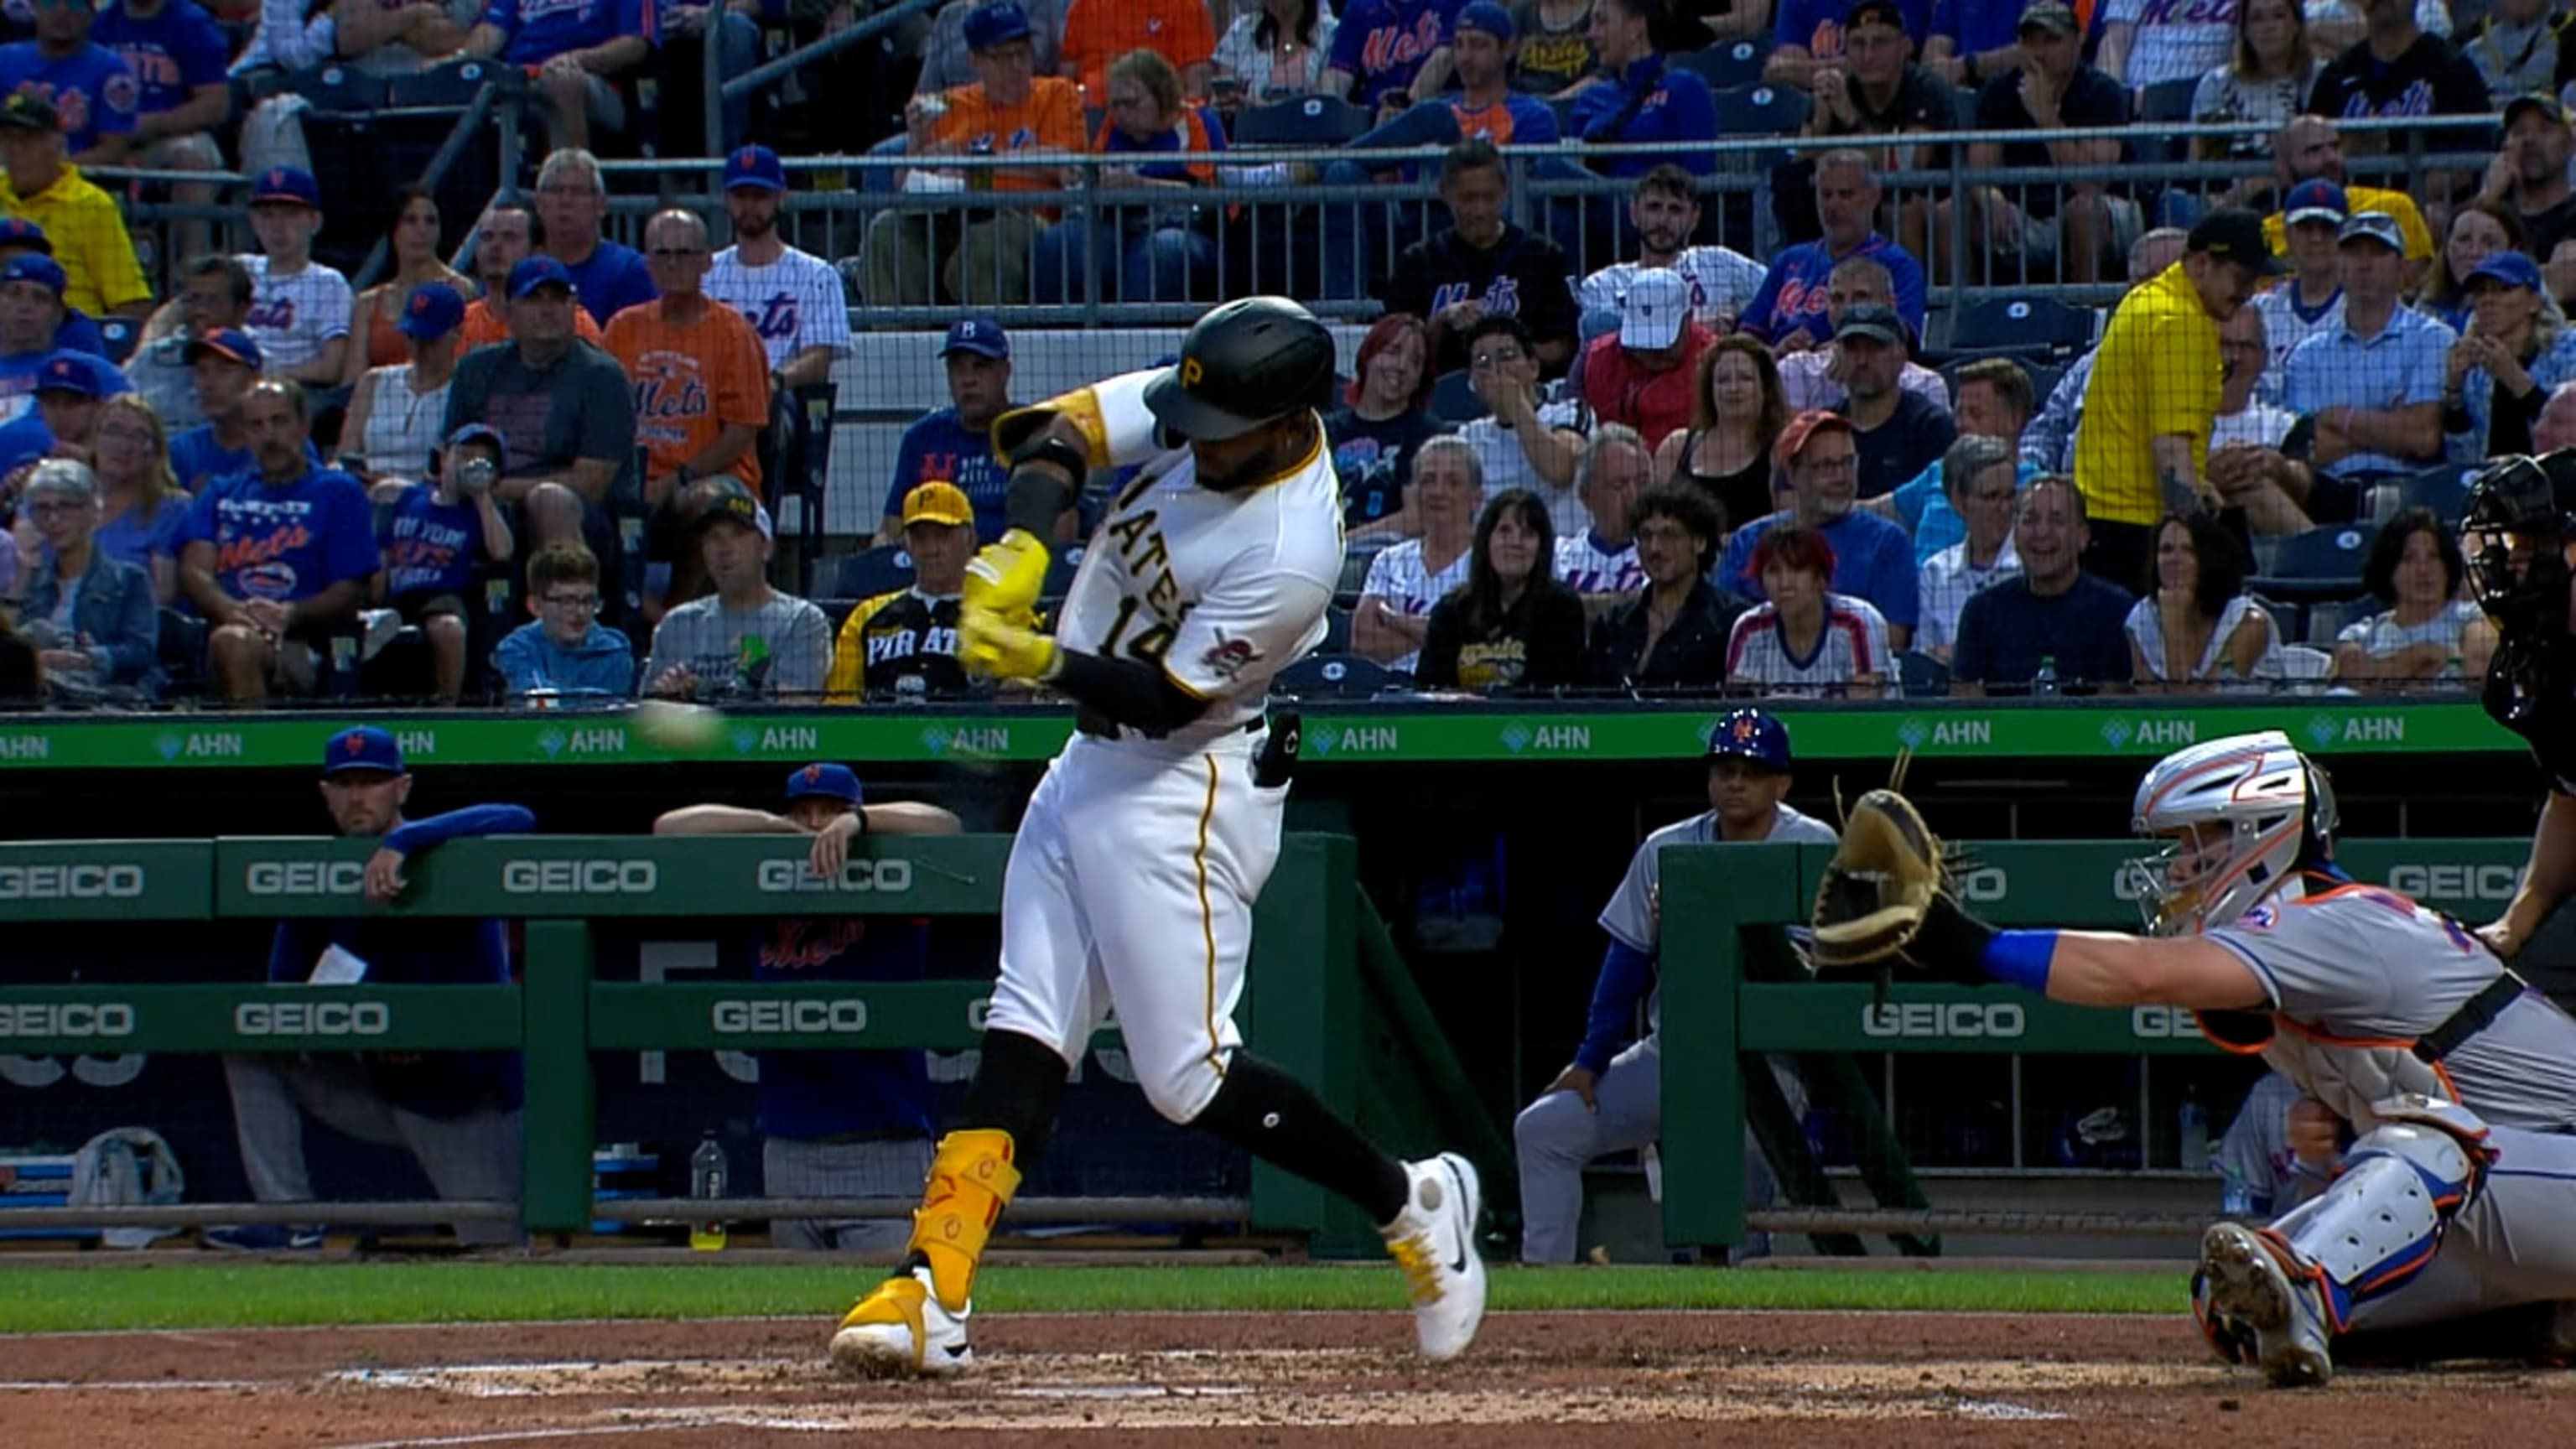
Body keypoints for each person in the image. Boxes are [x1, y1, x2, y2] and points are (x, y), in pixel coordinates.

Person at [825, 296, 1487, 1375]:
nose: (1190, 435)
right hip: (1090, 766)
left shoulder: (1292, 547)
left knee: (1187, 1078)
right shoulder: (1219, 402)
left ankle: (1411, 1201)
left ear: (1282, 426)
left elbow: (1170, 702)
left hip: (1184, 782)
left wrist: (1039, 661)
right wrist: (1027, 549)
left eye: (1216, 427)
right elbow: (1057, 432)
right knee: (1026, 1021)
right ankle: (929, 1289)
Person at [1826, 730, 2576, 1389]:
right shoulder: (2299, 931)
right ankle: (2538, 1319)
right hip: (2530, 1199)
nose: (2180, 866)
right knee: (2231, 1306)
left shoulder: (2327, 921)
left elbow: (2141, 974)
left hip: (2547, 1168)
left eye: (2199, 841)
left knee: (2417, 1152)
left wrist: (1967, 945)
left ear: (2262, 832)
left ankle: (2316, 1293)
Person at [1513, 708, 1838, 1265]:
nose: (1735, 781)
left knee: (1735, 1223)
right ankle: (1549, 1292)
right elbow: (1626, 963)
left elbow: (1803, 974)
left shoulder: (1811, 843)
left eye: (1753, 770)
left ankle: (1749, 1324)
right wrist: (1590, 1060)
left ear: (1782, 782)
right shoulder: (1669, 847)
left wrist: (1704, 915)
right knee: (1544, 1131)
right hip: (1675, 1050)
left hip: (1770, 1060)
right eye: (1724, 768)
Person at [209, 727, 531, 1252]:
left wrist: (405, 841)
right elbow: (281, 996)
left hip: (459, 1097)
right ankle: (292, 1224)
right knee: (249, 1042)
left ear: (402, 788)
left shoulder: (443, 852)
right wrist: (342, 1028)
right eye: (346, 784)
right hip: (373, 1080)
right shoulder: (316, 876)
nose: (359, 796)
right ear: (326, 794)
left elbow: (519, 818)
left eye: (374, 782)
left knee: (498, 1252)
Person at [652, 765, 958, 1253]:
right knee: (801, 1316)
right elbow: (671, 828)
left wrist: (858, 822)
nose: (817, 823)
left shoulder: (889, 874)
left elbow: (943, 824)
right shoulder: (769, 884)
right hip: (789, 1142)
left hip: (883, 1140)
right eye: (805, 812)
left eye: (829, 810)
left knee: (890, 1313)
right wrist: (771, 828)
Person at [2072, 206, 2281, 590]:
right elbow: (2170, 452)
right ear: (2202, 264)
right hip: (2138, 534)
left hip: (2103, 523)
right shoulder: (2180, 324)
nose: (2249, 292)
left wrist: (2202, 487)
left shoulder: (2144, 300)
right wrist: (2196, 544)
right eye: (2241, 278)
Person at [865, 2, 1083, 309]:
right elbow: (904, 185)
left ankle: (988, 351)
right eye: (1001, 57)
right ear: (976, 62)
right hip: (951, 214)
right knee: (887, 231)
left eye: (1021, 53)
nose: (1016, 66)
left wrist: (976, 160)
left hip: (1021, 215)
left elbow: (1065, 166)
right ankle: (899, 348)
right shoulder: (950, 104)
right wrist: (916, 142)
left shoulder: (1057, 94)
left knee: (985, 245)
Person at [175, 381, 377, 704]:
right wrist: (233, 610)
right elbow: (195, 571)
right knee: (233, 641)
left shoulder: (338, 491)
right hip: (227, 629)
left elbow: (349, 590)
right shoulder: (220, 492)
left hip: (307, 639)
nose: (269, 436)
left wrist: (289, 614)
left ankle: (255, 753)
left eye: (279, 421)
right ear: (245, 434)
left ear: (302, 426)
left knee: (235, 643)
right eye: (256, 425)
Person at [440, 257, 638, 558]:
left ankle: (563, 597)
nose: (548, 310)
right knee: (396, 494)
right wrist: (477, 489)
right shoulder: (476, 369)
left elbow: (590, 484)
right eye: (534, 299)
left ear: (574, 307)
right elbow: (455, 452)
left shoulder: (602, 376)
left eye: (559, 299)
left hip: (582, 518)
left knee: (549, 500)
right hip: (486, 504)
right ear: (508, 312)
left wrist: (493, 490)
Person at [2278, 212, 2454, 517]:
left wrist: (2338, 418)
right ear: (2339, 264)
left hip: (2413, 491)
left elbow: (2424, 438)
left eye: (2378, 252)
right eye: (2353, 252)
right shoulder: (2307, 355)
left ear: (2401, 266)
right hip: (2328, 493)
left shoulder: (2433, 338)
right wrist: (2393, 425)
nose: (2364, 263)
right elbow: (2309, 451)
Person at [603, 208, 773, 512]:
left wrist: (677, 481)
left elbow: (741, 432)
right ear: (648, 264)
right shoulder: (621, 328)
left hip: (717, 480)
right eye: (662, 253)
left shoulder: (734, 333)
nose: (673, 264)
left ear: (707, 261)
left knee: (698, 501)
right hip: (636, 479)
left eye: (684, 253)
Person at [1951, 1, 2130, 287]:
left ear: (2078, 40)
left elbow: (2093, 183)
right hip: (2021, 212)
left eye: (2052, 41)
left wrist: (2045, 116)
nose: (2039, 53)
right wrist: (1990, 197)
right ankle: (1961, 319)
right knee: (1955, 210)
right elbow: (1979, 169)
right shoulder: (1998, 90)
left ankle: (2088, 315)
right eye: (2030, 42)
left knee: (2084, 210)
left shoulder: (2102, 92)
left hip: (2104, 207)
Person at [1035, 47, 1228, 306]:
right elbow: (1094, 172)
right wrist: (1084, 179)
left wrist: (1142, 187)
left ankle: (1135, 344)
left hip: (1182, 229)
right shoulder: (1113, 127)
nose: (1121, 114)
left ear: (1162, 96)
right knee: (1062, 241)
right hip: (1116, 225)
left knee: (1159, 252)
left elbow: (1209, 195)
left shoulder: (1198, 122)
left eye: (1132, 103)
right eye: (1115, 105)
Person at [1379, 139, 1580, 378]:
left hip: (1524, 394)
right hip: (1439, 398)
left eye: (1489, 197)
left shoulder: (1543, 256)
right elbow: (1391, 352)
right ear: (1444, 192)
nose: (1480, 210)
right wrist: (1441, 322)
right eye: (1468, 199)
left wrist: (1511, 353)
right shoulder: (1418, 262)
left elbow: (1565, 348)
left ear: (1505, 190)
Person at [1718, 410, 1918, 647]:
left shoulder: (1888, 543)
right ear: (1793, 474)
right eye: (1826, 466)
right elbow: (1723, 631)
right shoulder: (1749, 541)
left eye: (1847, 463)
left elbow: (1892, 641)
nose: (1841, 477)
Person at [642, 482, 833, 702]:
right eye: (714, 537)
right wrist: (667, 695)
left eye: (738, 534)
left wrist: (702, 693)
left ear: (766, 548)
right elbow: (647, 712)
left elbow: (798, 708)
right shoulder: (677, 624)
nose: (724, 548)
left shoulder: (801, 621)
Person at [1949, 475, 2136, 693]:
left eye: (2057, 521)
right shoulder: (1981, 612)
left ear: (2083, 537)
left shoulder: (2116, 611)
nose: (2042, 533)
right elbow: (1965, 709)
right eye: (2030, 520)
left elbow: (2116, 713)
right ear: (2015, 534)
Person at [377, 424, 516, 704]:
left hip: (441, 594)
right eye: (464, 455)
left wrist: (482, 496)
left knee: (449, 628)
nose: (470, 466)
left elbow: (502, 552)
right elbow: (385, 548)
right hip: (398, 593)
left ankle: (446, 705)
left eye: (483, 462)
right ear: (443, 458)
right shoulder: (410, 497)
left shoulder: (478, 513)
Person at [1737, 149, 1926, 350]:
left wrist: (1822, 355)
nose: (1833, 206)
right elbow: (1749, 333)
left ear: (1874, 196)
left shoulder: (1899, 265)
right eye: (1826, 195)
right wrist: (1774, 355)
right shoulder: (1790, 259)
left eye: (1846, 195)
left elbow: (1901, 338)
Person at [704, 146, 853, 400]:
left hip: (784, 401)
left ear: (781, 196)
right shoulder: (706, 273)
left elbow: (818, 360)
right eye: (741, 195)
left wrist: (771, 382)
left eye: (760, 195)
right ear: (726, 200)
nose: (750, 206)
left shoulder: (816, 275)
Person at [1415, 487, 1588, 690]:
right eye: (1505, 531)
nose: (1515, 543)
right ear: (1486, 540)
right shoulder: (1452, 611)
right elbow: (1428, 689)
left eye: (1528, 534)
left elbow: (1555, 689)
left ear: (1541, 548)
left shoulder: (1562, 608)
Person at [0, 93, 151, 324]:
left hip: (69, 336)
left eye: (28, 140)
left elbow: (129, 301)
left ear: (58, 145)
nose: (16, 150)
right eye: (8, 139)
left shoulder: (90, 205)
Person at [825, 480, 978, 703]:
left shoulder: (998, 614)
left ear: (971, 540)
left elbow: (1019, 700)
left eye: (943, 536)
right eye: (920, 537)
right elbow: (840, 706)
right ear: (906, 544)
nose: (931, 549)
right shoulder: (866, 617)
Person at [15, 458, 154, 701]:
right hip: (37, 691)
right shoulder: (32, 581)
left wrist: (88, 658)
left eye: (66, 507)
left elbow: (141, 652)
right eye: (43, 509)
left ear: (94, 512)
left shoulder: (130, 579)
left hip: (105, 694)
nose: (54, 519)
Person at [1587, 481, 1746, 690]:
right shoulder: (1613, 624)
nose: (1655, 548)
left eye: (1669, 535)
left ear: (1700, 542)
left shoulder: (1731, 621)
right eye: (1646, 536)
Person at [1576, 165, 1768, 335]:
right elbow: (1599, 341)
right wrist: (1695, 331)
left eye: (1675, 210)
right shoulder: (1603, 284)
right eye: (1654, 208)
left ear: (1694, 218)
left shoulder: (1720, 263)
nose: (1663, 220)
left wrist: (1743, 322)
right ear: (1634, 213)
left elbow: (1778, 289)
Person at [883, 319, 1021, 546]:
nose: (968, 380)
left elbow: (1060, 528)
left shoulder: (1032, 432)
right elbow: (892, 529)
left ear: (1004, 373)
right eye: (958, 369)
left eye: (980, 366)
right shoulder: (922, 437)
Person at [1452, 312, 1588, 534]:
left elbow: (1560, 471)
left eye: (1506, 356)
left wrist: (1516, 405)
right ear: (1473, 382)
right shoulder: (1467, 437)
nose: (1496, 369)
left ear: (1533, 368)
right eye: (1483, 362)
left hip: (1559, 553)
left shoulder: (1570, 413)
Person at [1355, 437, 1483, 672]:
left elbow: (1485, 643)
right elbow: (1363, 641)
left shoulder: (1489, 563)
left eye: (1453, 482)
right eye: (1428, 480)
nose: (1438, 491)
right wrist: (1444, 635)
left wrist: (1396, 621)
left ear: (1476, 498)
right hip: (1390, 696)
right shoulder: (1389, 560)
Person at [457, 0, 652, 154]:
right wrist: (454, 62)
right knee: (458, 79)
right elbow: (491, 33)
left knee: (561, 80)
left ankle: (574, 185)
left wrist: (577, 59)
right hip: (520, 79)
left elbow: (636, 45)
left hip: (596, 80)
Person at [2329, 506, 2496, 687]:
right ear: (2388, 570)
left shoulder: (2475, 617)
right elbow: (2354, 677)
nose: (2423, 570)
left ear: (2447, 565)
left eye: (2433, 556)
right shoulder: (2360, 635)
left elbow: (2480, 674)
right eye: (2409, 559)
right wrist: (2424, 653)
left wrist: (2389, 671)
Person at [1724, 522, 1893, 696]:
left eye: (1797, 570)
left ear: (1821, 578)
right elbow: (1740, 712)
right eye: (1774, 571)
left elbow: (1865, 715)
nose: (1785, 584)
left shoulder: (1860, 622)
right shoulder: (1749, 628)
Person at [2445, 251, 2576, 465]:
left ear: (2534, 302)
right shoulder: (2475, 367)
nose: (2488, 300)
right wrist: (2454, 394)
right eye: (2481, 292)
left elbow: (2568, 439)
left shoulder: (2569, 351)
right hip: (2493, 487)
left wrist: (2516, 379)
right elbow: (2462, 459)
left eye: (2503, 289)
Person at [340, 186, 475, 388]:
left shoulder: (460, 291)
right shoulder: (367, 303)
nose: (422, 230)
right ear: (393, 230)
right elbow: (353, 381)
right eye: (411, 220)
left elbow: (467, 364)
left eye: (430, 221)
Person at [2123, 510, 2276, 689]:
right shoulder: (2142, 618)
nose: (2174, 559)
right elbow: (2153, 711)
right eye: (2166, 550)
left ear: (2209, 559)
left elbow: (2202, 710)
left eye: (2189, 550)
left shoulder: (2249, 622)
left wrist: (2174, 627)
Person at [1656, 333, 1786, 534]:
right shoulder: (1675, 448)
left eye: (1745, 378)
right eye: (1723, 380)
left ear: (1765, 387)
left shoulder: (1782, 450)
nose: (1733, 388)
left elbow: (1789, 528)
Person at [1322, 314, 1439, 536]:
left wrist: (1349, 540)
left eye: (1415, 361)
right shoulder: (1326, 431)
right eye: (1393, 352)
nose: (1402, 366)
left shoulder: (1427, 435)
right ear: (1368, 357)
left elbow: (1417, 518)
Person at [238, 166, 354, 390]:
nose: (277, 227)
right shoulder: (241, 268)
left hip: (293, 394)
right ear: (253, 222)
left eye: (290, 215)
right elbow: (181, 308)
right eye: (267, 215)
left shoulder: (328, 283)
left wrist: (267, 373)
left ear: (315, 222)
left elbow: (331, 368)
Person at [339, 283, 465, 484]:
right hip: (365, 493)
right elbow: (344, 456)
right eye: (411, 337)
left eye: (430, 339)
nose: (418, 348)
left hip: (427, 499)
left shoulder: (465, 389)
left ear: (457, 333)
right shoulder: (374, 381)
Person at [1913, 434, 2021, 665]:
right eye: (1991, 497)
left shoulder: (2031, 566)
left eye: (2010, 496)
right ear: (1960, 503)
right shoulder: (1935, 573)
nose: (2005, 508)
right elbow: (1924, 660)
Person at [1828, 303, 1953, 501]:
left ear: (1901, 355)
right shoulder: (1825, 428)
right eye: (1852, 349)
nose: (1862, 361)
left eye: (1875, 349)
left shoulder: (1930, 427)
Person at [1579, 267, 1712, 453]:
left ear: (1687, 319)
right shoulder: (1594, 358)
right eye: (1644, 343)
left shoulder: (1712, 361)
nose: (1653, 353)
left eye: (1663, 343)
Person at [0, 0, 139, 166]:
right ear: (34, 8)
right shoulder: (5, 60)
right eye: (50, 3)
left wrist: (49, 170)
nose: (62, 11)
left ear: (91, 15)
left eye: (76, 4)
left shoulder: (114, 72)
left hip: (82, 182)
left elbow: (114, 151)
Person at [528, 149, 657, 328]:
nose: (565, 200)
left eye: (578, 191)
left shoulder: (629, 270)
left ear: (601, 205)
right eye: (555, 190)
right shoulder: (522, 270)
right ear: (538, 203)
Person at [490, 542, 636, 700]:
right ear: (536, 606)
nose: (581, 612)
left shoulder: (614, 651)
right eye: (567, 601)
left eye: (588, 600)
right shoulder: (517, 649)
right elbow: (538, 705)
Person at [454, 200, 605, 350]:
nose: (495, 246)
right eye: (487, 237)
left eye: (509, 237)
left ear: (537, 252)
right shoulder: (460, 324)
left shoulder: (573, 323)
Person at [2189, 0, 2321, 166]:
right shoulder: (2216, 82)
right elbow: (2198, 160)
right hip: (2229, 186)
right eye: (2257, 18)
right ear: (2245, 31)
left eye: (2279, 16)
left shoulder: (2321, 77)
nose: (2268, 27)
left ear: (2296, 25)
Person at [130, 254, 250, 432]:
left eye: (212, 301)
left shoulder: (259, 362)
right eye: (194, 299)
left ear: (242, 310)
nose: (200, 310)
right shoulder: (151, 358)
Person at [90, 392, 183, 605]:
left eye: (139, 436)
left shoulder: (171, 510)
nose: (124, 445)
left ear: (154, 451)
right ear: (93, 439)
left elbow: (162, 596)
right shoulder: (66, 500)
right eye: (114, 431)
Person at [1555, 423, 1649, 609]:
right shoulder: (1559, 555)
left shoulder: (1663, 553)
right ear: (1586, 496)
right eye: (1619, 485)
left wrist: (1576, 606)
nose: (1634, 496)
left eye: (1642, 482)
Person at [1058, 0, 1214, 100]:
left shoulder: (1186, 6)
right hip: (1092, 120)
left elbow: (1197, 89)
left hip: (1161, 123)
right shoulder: (1083, 7)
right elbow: (1067, 84)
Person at [2419, 202, 2523, 335]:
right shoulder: (2427, 306)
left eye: (2489, 243)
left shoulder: (2531, 306)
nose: (2474, 253)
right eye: (2464, 240)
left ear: (2514, 251)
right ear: (2447, 248)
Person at [1211, 0, 1338, 104]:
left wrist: (1264, 109)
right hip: (1248, 132)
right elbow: (1223, 88)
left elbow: (1326, 105)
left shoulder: (1331, 34)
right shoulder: (1241, 32)